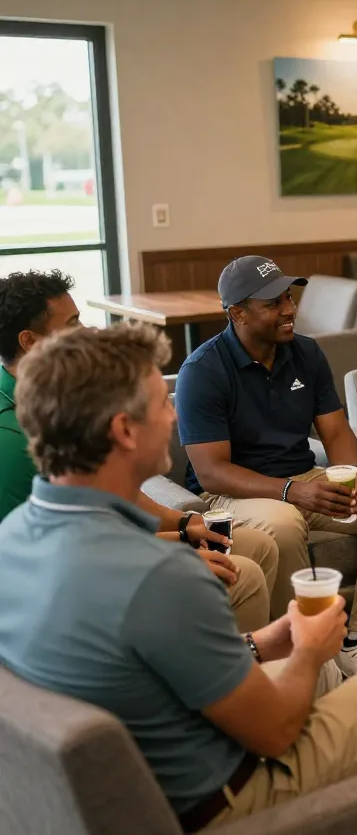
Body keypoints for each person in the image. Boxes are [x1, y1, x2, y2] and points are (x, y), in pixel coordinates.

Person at [0, 324, 357, 835]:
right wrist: (311, 649)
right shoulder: (161, 576)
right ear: (124, 430)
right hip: (236, 797)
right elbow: (273, 731)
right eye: (160, 402)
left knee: (320, 672)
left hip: (149, 781)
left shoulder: (14, 539)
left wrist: (261, 643)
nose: (173, 415)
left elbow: (145, 666)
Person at [176, 256, 357, 676]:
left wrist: (355, 474)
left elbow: (336, 431)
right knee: (284, 522)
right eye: (273, 303)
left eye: (289, 297)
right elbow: (213, 472)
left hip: (303, 479)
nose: (289, 309)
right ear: (238, 314)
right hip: (231, 494)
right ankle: (302, 650)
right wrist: (291, 491)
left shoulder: (306, 352)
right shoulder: (202, 371)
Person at [0, 269, 276, 631]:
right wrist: (167, 551)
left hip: (107, 552)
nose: (87, 330)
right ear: (30, 341)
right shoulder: (12, 437)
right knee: (244, 573)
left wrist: (183, 524)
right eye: (73, 323)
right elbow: (52, 560)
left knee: (257, 544)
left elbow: (113, 498)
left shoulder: (70, 396)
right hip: (70, 593)